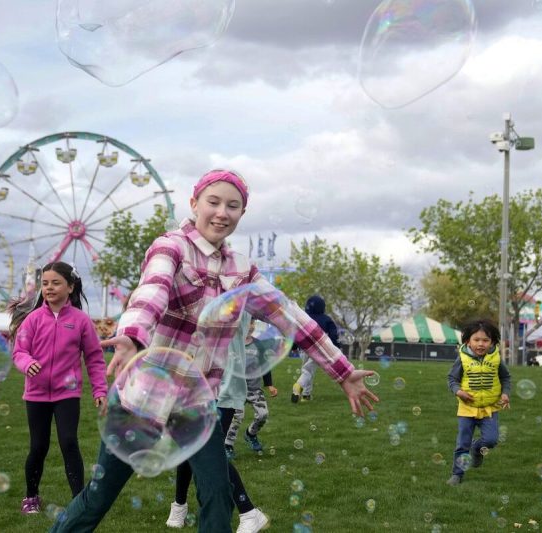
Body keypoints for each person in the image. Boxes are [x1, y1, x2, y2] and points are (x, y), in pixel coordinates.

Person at [50, 169, 378, 533]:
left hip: (197, 404)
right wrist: (131, 336)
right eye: (214, 202)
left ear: (241, 214)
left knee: (218, 495)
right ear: (194, 204)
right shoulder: (170, 246)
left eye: (233, 206)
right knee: (99, 496)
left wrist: (343, 372)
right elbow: (152, 291)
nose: (223, 212)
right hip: (144, 398)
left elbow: (292, 318)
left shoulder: (242, 270)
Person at [9, 261, 109, 515]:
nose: (49, 288)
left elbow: (95, 358)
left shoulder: (81, 321)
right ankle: (31, 496)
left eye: (56, 283)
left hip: (68, 393)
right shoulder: (32, 320)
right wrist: (27, 363)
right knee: (38, 446)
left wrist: (100, 391)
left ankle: (79, 501)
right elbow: (19, 351)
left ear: (70, 287)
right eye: (45, 284)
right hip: (36, 394)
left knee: (69, 442)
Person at [167, 314, 269, 532]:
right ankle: (180, 505)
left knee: (208, 453)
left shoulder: (236, 299)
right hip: (196, 387)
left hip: (224, 390)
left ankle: (248, 511)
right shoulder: (203, 295)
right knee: (189, 447)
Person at [445, 319, 511, 486]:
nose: (480, 344)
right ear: (468, 341)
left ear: (493, 342)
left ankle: (477, 449)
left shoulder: (496, 359)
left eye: (485, 340)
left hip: (490, 408)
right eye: (476, 340)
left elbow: (505, 377)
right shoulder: (463, 358)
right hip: (467, 408)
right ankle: (457, 475)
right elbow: (452, 379)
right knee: (462, 444)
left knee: (491, 440)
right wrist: (458, 391)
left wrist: (505, 394)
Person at [227, 319, 279, 454]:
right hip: (237, 390)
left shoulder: (259, 345)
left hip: (254, 389)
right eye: (248, 322)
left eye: (253, 323)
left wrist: (270, 385)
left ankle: (250, 434)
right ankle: (228, 445)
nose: (251, 326)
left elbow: (265, 366)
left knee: (263, 414)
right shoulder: (233, 344)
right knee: (236, 418)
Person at [291, 295, 340, 402]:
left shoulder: (304, 318)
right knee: (308, 371)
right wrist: (336, 347)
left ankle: (306, 395)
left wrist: (294, 347)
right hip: (318, 349)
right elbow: (333, 335)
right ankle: (298, 386)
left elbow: (296, 334)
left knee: (308, 370)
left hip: (303, 349)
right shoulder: (326, 319)